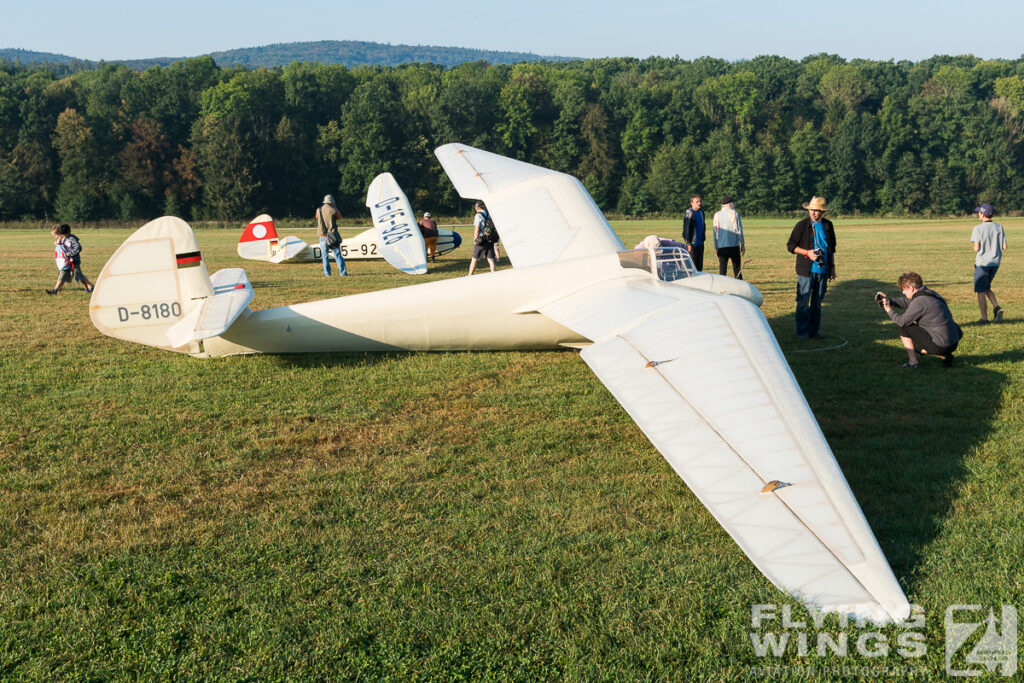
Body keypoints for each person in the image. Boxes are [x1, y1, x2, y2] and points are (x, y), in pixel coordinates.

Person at [878, 272, 962, 368]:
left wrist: (888, 309)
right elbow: (908, 302)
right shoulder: (930, 293)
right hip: (953, 341)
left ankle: (913, 362)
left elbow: (902, 321)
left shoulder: (920, 301)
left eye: (903, 289)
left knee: (903, 327)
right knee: (937, 329)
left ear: (911, 288)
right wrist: (889, 300)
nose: (903, 292)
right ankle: (945, 356)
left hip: (941, 345)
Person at [786, 196, 837, 340]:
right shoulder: (801, 225)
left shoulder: (828, 225)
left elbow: (831, 249)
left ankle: (814, 332)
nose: (813, 213)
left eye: (817, 211)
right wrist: (807, 253)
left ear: (823, 212)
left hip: (822, 270)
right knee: (803, 302)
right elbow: (790, 246)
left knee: (817, 303)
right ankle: (802, 332)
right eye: (811, 210)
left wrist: (832, 269)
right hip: (805, 270)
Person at [970, 203, 1007, 323]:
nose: (978, 215)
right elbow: (1004, 246)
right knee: (986, 287)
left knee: (980, 290)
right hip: (995, 263)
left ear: (982, 214)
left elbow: (976, 248)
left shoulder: (978, 228)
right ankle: (997, 307)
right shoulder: (999, 227)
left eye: (979, 213)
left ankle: (984, 318)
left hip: (982, 263)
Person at [54, 223, 94, 292]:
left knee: (78, 275)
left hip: (74, 261)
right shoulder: (64, 238)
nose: (64, 236)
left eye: (65, 234)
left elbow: (79, 248)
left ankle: (89, 287)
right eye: (63, 235)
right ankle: (56, 289)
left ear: (69, 231)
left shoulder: (72, 239)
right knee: (63, 273)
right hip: (67, 261)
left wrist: (70, 254)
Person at [713, 196, 745, 279]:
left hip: (722, 246)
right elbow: (739, 230)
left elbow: (715, 233)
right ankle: (740, 286)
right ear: (730, 204)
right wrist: (742, 244)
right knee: (737, 269)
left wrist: (716, 247)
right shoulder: (734, 213)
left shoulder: (717, 215)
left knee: (722, 270)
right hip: (734, 246)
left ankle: (721, 287)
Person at [315, 194, 346, 277]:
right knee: (337, 255)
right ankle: (343, 273)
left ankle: (327, 273)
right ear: (331, 202)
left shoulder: (319, 209)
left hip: (322, 236)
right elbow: (339, 216)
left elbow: (317, 217)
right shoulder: (333, 210)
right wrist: (335, 207)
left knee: (325, 256)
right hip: (332, 236)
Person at [467, 200, 499, 276]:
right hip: (490, 239)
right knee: (491, 260)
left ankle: (470, 275)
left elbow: (477, 229)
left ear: (477, 207)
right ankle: (494, 274)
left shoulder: (478, 216)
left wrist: (475, 240)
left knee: (474, 259)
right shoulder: (489, 214)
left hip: (481, 240)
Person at [45, 226, 75, 294]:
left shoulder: (65, 241)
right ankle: (89, 286)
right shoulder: (59, 241)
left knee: (62, 276)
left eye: (56, 236)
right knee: (63, 276)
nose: (55, 238)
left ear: (60, 234)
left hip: (66, 261)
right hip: (61, 262)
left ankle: (55, 290)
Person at [681, 195, 707, 271]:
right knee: (693, 268)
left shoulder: (701, 212)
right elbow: (686, 230)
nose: (699, 203)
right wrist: (688, 243)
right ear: (691, 203)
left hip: (700, 243)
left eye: (700, 201)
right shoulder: (690, 214)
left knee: (699, 267)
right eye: (697, 202)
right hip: (693, 244)